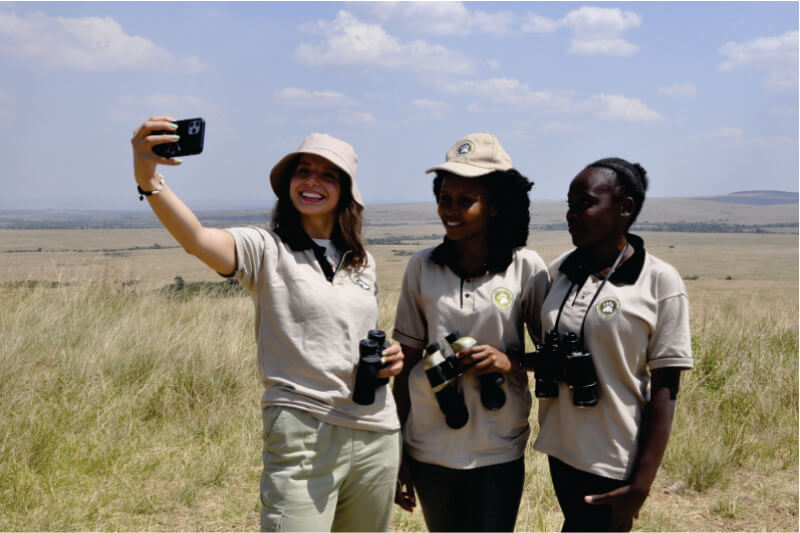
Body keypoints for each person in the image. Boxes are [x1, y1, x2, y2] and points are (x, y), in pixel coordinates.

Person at [130, 116, 404, 532]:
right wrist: (148, 176)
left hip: (376, 430)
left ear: (346, 190)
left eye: (328, 175)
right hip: (303, 428)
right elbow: (197, 240)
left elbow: (351, 334)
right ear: (288, 183)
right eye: (303, 170)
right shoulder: (265, 248)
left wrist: (389, 357)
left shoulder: (363, 261)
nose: (313, 181)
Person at [391, 132, 549, 531]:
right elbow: (407, 359)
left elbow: (553, 356)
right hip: (429, 444)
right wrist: (396, 448)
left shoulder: (525, 268)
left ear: (495, 206)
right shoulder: (421, 267)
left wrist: (508, 359)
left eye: (466, 200)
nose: (451, 210)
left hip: (498, 445)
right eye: (445, 199)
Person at [532, 158, 693, 532]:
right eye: (569, 206)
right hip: (562, 449)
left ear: (625, 208)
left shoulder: (659, 282)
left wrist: (640, 485)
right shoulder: (561, 271)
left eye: (585, 204)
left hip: (614, 457)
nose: (572, 215)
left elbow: (666, 389)